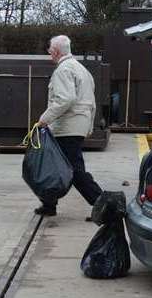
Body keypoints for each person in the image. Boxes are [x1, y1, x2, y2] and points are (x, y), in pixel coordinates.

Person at [35, 35, 103, 218]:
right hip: (77, 125)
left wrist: (44, 119)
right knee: (54, 166)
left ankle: (104, 205)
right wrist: (88, 126)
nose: (49, 54)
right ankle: (49, 204)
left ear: (56, 51)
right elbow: (92, 102)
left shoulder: (63, 70)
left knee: (74, 170)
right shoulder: (82, 70)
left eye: (50, 51)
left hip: (67, 127)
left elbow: (65, 99)